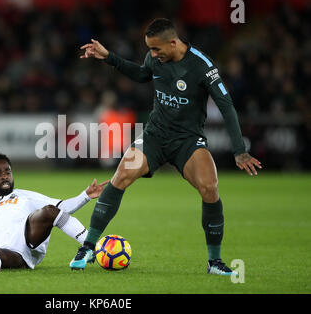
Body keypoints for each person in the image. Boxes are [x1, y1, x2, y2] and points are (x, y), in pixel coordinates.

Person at [69, 18, 262, 275]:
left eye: (157, 49)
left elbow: (226, 107)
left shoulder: (202, 66)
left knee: (210, 187)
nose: (153, 55)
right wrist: (109, 57)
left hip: (188, 140)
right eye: (150, 49)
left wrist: (239, 150)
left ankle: (214, 262)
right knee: (121, 176)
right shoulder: (155, 59)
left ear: (173, 42)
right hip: (155, 136)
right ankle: (88, 247)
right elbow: (141, 74)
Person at [0, 153, 107, 271]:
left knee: (49, 210)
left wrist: (86, 195)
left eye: (8, 172)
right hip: (7, 254)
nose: (5, 176)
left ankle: (92, 247)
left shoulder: (25, 196)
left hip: (29, 247)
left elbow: (63, 208)